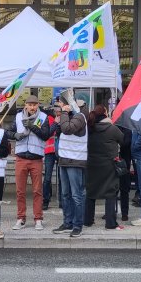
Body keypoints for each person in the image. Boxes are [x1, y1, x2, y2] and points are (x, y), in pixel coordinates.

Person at [11, 95, 52, 231]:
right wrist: (14, 135)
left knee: (37, 191)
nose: (33, 107)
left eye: (35, 105)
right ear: (26, 106)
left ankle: (38, 219)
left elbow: (46, 135)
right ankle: (21, 218)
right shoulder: (18, 117)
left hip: (36, 158)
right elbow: (8, 132)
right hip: (21, 157)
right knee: (20, 191)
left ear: (38, 105)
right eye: (30, 104)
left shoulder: (43, 117)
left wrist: (33, 127)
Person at [84, 105, 125, 230]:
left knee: (90, 193)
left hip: (91, 164)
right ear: (105, 114)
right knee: (110, 193)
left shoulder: (89, 129)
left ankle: (88, 220)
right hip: (109, 165)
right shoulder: (112, 129)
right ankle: (110, 223)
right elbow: (123, 140)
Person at [53, 98, 89, 237]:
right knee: (65, 195)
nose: (60, 107)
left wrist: (63, 113)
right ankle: (67, 223)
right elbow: (59, 130)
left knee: (76, 195)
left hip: (75, 161)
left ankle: (77, 225)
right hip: (64, 159)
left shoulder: (80, 117)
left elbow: (67, 129)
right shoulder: (66, 117)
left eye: (62, 105)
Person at [42, 107, 59, 211]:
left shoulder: (63, 118)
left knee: (62, 177)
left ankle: (61, 200)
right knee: (47, 177)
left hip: (60, 150)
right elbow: (47, 133)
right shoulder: (46, 119)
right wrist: (56, 123)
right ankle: (45, 200)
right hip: (49, 151)